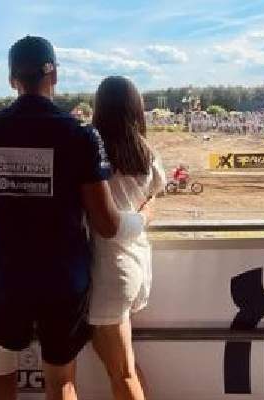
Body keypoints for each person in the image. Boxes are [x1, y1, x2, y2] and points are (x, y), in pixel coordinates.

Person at [0, 36, 149, 400]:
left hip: (6, 279)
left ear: (12, 79)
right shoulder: (80, 134)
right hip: (64, 283)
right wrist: (142, 218)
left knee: (1, 371)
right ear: (54, 76)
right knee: (61, 382)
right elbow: (107, 224)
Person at [89, 76, 165, 400]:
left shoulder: (93, 152)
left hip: (109, 271)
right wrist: (143, 215)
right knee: (125, 368)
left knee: (122, 373)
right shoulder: (145, 152)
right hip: (136, 264)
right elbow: (154, 197)